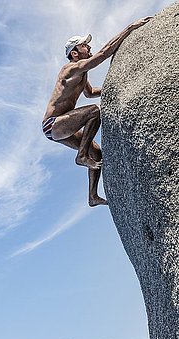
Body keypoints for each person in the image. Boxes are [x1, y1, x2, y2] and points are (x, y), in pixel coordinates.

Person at [42, 16, 152, 207]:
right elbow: (103, 54)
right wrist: (130, 27)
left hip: (60, 126)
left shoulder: (82, 74)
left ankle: (92, 196)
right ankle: (81, 156)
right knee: (94, 111)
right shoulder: (71, 69)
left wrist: (119, 85)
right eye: (85, 45)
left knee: (97, 153)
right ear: (75, 53)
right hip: (53, 123)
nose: (89, 48)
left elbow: (91, 92)